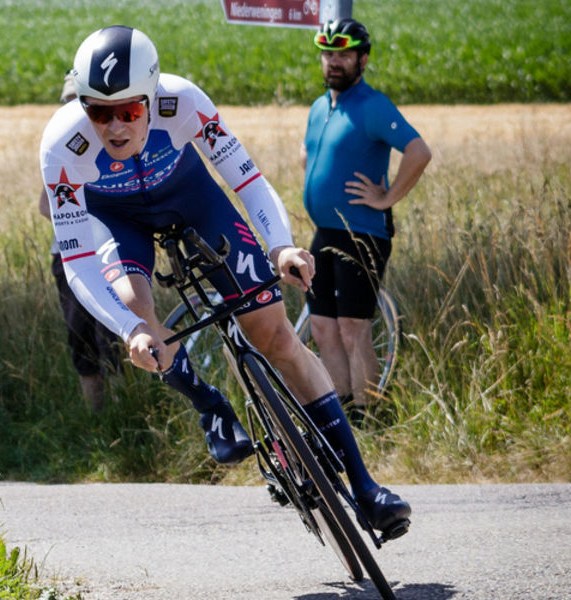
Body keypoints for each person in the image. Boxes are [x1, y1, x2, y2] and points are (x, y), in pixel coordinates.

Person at [39, 26, 410, 536]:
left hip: (192, 197)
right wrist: (128, 329)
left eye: (128, 110)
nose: (113, 126)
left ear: (152, 95)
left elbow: (244, 178)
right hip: (116, 218)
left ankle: (366, 487)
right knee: (135, 305)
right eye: (98, 111)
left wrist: (279, 246)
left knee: (276, 336)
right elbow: (77, 257)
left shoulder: (183, 100)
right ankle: (210, 405)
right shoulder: (62, 145)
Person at [300, 19, 431, 418]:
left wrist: (387, 196)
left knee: (353, 328)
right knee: (322, 328)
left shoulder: (373, 105)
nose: (333, 62)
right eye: (327, 54)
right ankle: (342, 415)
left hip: (362, 233)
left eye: (343, 54)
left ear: (363, 59)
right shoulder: (321, 105)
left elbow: (418, 152)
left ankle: (370, 415)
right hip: (325, 232)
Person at [37, 70, 120, 411]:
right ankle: (97, 419)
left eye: (80, 102)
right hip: (70, 255)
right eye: (68, 102)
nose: (74, 110)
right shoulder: (59, 148)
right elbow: (45, 205)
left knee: (114, 337)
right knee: (81, 338)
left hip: (110, 253)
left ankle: (124, 411)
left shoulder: (117, 141)